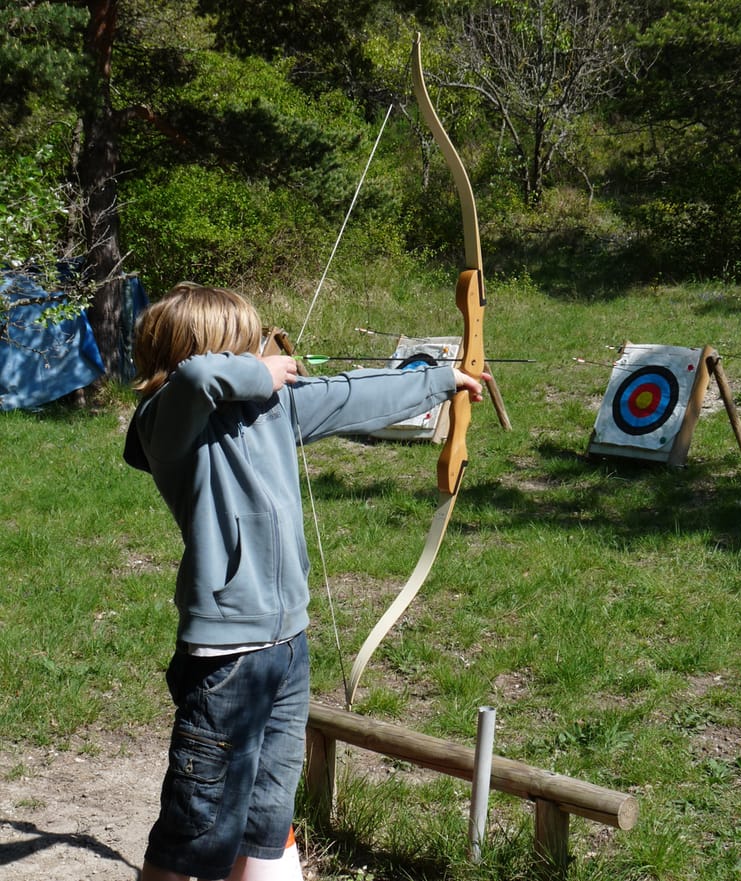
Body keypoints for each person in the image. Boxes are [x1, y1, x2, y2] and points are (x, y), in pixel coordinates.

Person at [123, 282, 485, 881]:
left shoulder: (269, 410)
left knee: (268, 815)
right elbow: (194, 382)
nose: (262, 347)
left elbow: (350, 397)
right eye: (247, 342)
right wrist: (259, 371)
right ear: (215, 351)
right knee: (198, 827)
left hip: (289, 644)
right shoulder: (167, 424)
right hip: (226, 657)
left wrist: (444, 380)